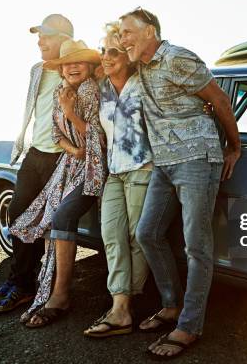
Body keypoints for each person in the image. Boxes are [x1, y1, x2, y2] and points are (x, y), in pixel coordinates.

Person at [119, 7, 241, 358]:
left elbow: (218, 99)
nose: (122, 38)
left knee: (196, 245)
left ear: (150, 32)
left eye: (128, 32)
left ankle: (189, 325)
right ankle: (171, 305)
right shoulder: (138, 66)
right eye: (121, 33)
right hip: (164, 162)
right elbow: (102, 63)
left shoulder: (178, 58)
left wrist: (234, 146)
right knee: (147, 233)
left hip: (197, 158)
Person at [0, 14, 73, 313]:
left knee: (44, 221)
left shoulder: (77, 70)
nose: (39, 41)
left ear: (64, 39)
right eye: (39, 36)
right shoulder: (36, 70)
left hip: (62, 157)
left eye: (45, 36)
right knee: (19, 214)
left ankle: (29, 283)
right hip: (35, 153)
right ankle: (20, 281)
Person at [9, 39, 106, 328]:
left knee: (61, 215)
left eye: (79, 62)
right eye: (67, 64)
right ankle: (33, 283)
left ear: (89, 66)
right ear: (61, 69)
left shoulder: (90, 91)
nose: (73, 67)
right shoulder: (61, 92)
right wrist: (73, 148)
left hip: (93, 169)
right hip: (70, 164)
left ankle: (60, 294)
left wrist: (71, 113)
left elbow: (98, 139)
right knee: (39, 216)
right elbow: (54, 133)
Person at [83, 22, 153, 338]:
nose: (106, 57)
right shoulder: (102, 89)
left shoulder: (146, 82)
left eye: (113, 51)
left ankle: (122, 307)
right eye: (103, 51)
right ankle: (121, 302)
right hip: (115, 171)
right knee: (111, 233)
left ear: (127, 54)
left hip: (144, 168)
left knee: (137, 236)